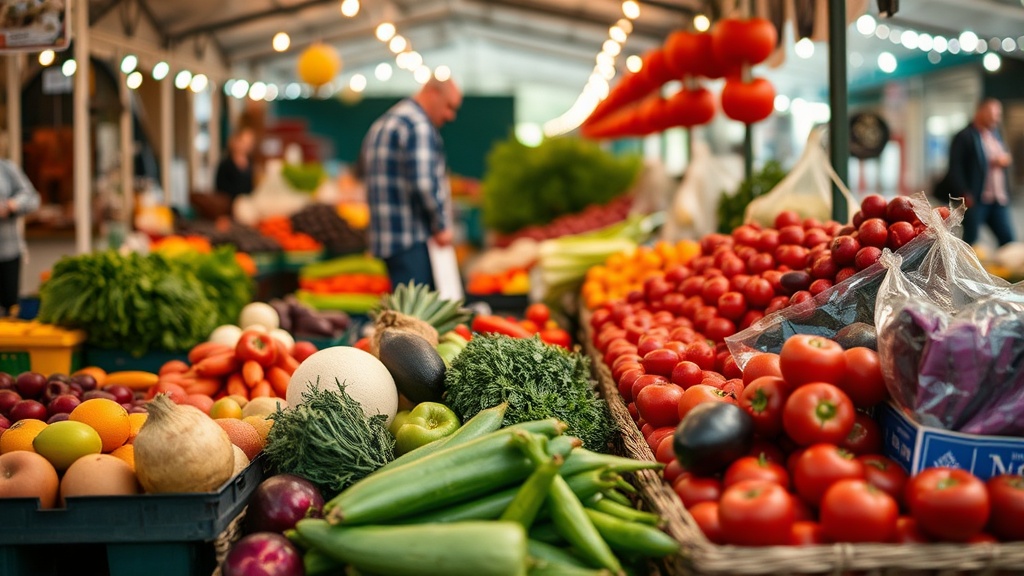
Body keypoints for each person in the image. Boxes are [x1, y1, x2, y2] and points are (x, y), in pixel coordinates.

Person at [360, 77, 462, 289]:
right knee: (414, 309)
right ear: (433, 93)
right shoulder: (418, 125)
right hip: (411, 243)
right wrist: (441, 226)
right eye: (449, 106)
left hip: (384, 243)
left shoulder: (384, 122)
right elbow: (424, 184)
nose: (450, 116)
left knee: (396, 307)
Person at [947, 98, 1015, 246]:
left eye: (998, 114)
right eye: (992, 113)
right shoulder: (965, 136)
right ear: (980, 111)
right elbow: (955, 167)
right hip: (976, 199)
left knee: (1009, 240)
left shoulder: (997, 135)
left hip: (998, 199)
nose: (996, 117)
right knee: (970, 241)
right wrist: (964, 192)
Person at [0, 158, 41, 317]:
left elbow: (32, 198)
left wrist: (12, 205)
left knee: (9, 307)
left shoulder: (6, 169)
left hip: (7, 251)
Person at [215, 127, 256, 201]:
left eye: (249, 143)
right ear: (235, 142)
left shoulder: (251, 162)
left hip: (248, 200)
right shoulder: (226, 165)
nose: (246, 146)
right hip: (232, 202)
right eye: (244, 142)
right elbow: (221, 189)